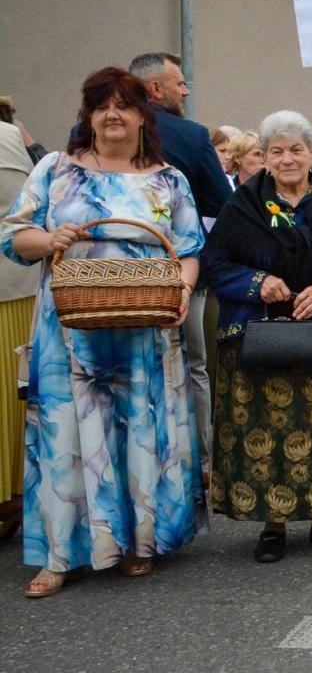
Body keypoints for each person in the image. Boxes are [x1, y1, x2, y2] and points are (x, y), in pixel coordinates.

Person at [2, 67, 204, 597]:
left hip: (146, 325)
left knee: (140, 425)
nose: (112, 115)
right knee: (66, 436)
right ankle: (59, 555)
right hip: (69, 329)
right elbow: (14, 237)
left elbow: (187, 251)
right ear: (88, 116)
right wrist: (50, 240)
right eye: (101, 106)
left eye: (124, 105)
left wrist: (181, 293)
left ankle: (139, 542)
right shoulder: (54, 170)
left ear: (143, 115)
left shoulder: (169, 180)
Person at [204, 110, 312, 562]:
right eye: (276, 151)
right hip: (259, 335)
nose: (287, 159)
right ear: (262, 157)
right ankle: (272, 526)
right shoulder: (242, 207)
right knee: (266, 430)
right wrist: (257, 283)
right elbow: (215, 264)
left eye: (296, 149)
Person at [127, 53, 231, 489]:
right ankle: (202, 463)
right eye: (180, 83)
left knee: (126, 372)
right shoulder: (189, 136)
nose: (185, 90)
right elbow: (221, 205)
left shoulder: (86, 132)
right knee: (193, 367)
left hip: (108, 280)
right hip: (180, 276)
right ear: (155, 89)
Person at [0, 118, 42, 541]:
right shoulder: (12, 136)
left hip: (10, 285)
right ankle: (14, 495)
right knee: (15, 395)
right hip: (16, 284)